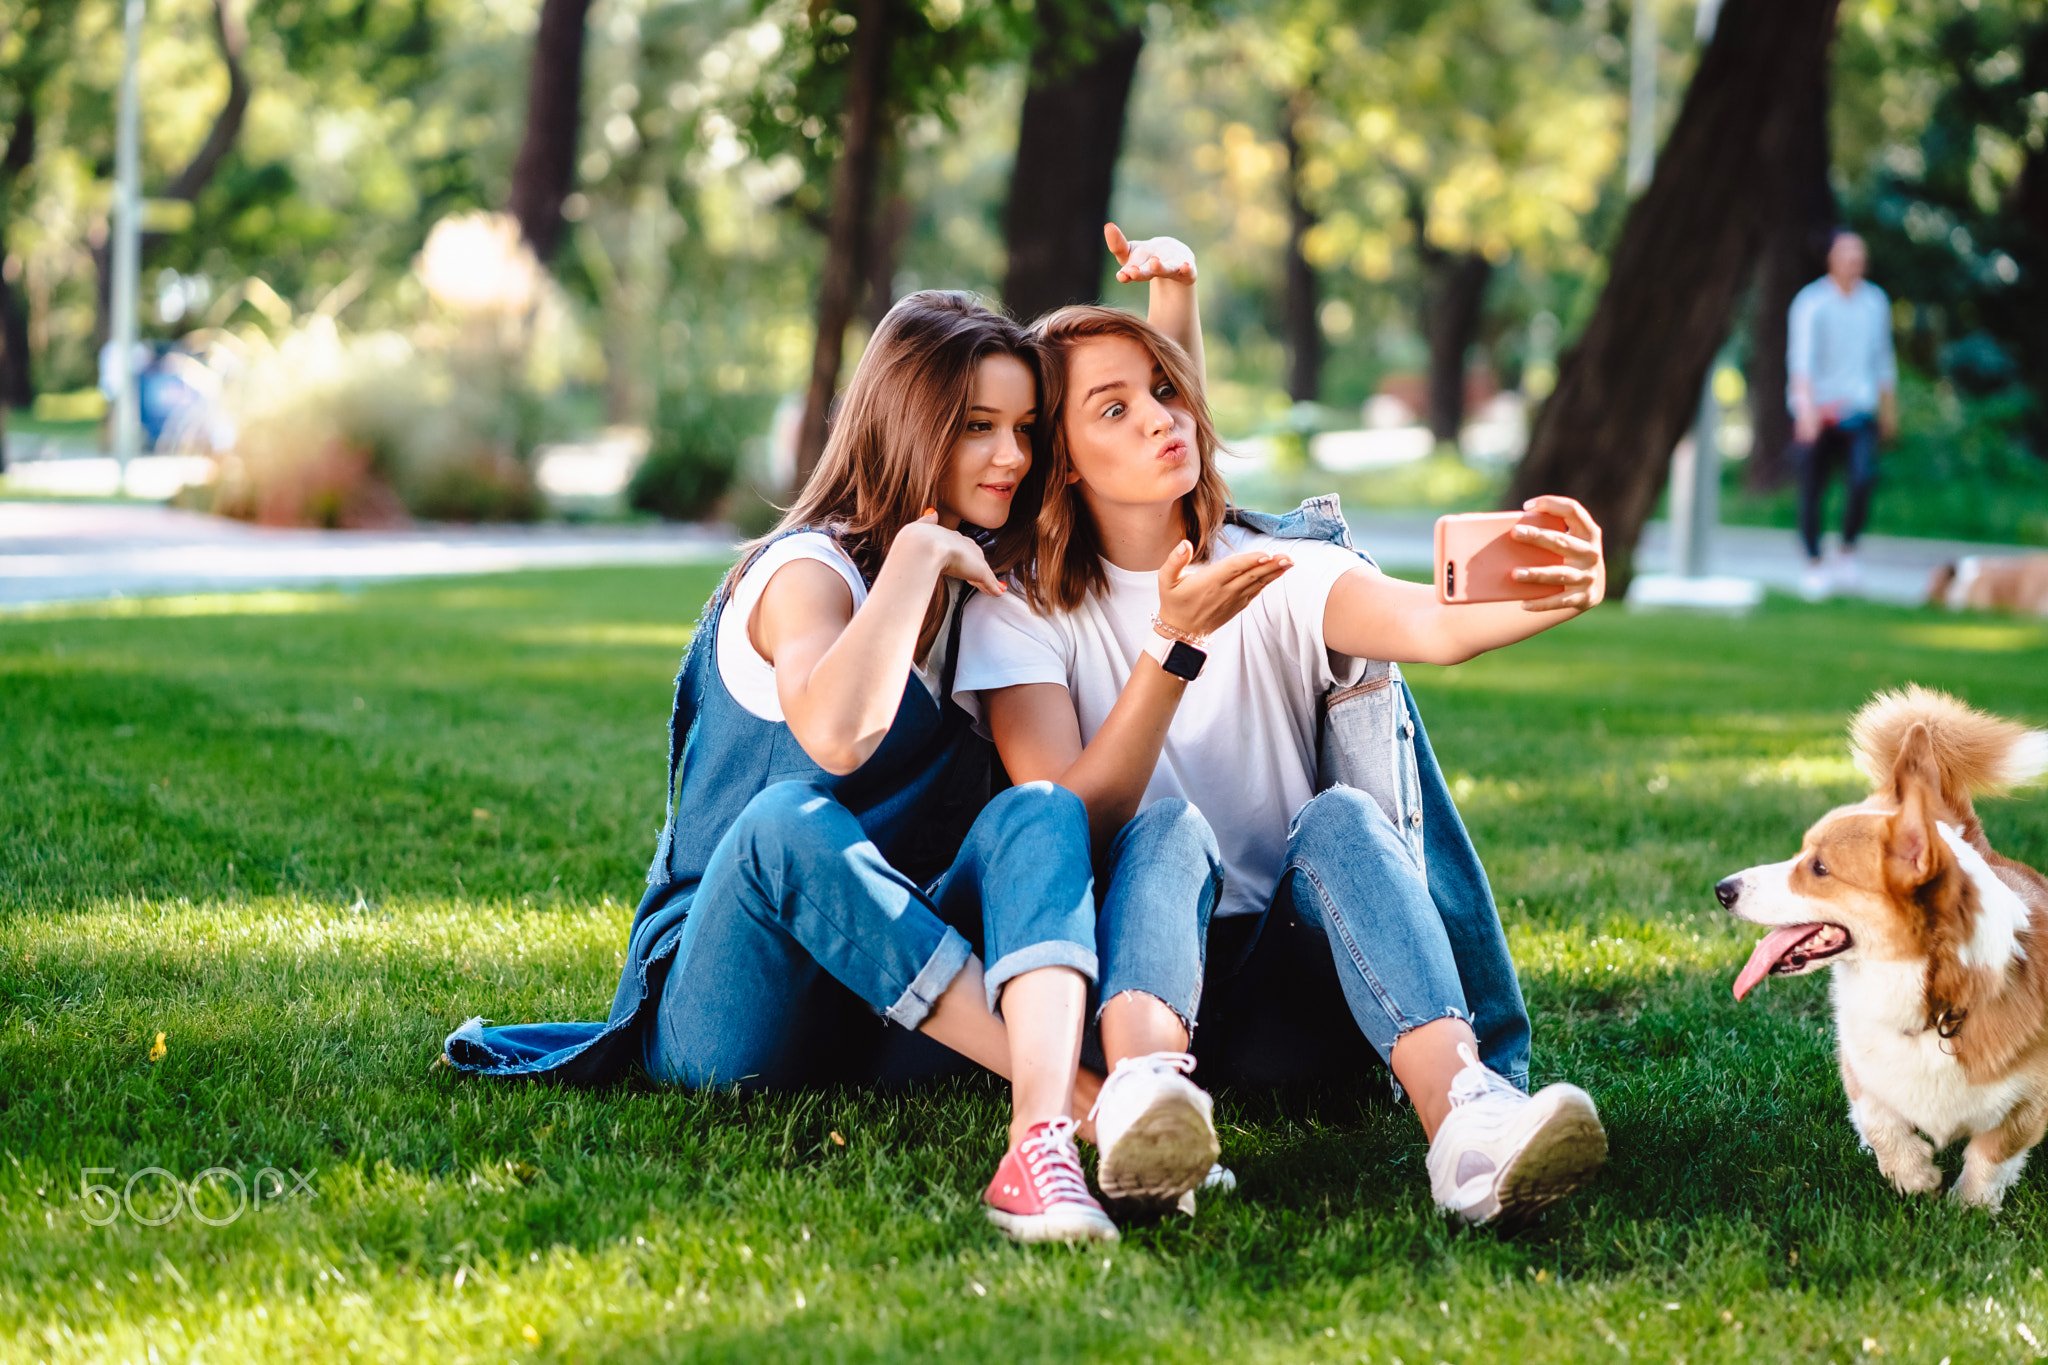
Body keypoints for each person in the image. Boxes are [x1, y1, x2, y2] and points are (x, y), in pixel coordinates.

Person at [443, 290, 1210, 1244]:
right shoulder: (807, 573)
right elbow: (839, 734)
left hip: (888, 1011)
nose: (1011, 456)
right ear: (906, 423)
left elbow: (1171, 453)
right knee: (783, 823)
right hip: (731, 1016)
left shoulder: (983, 603)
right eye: (976, 428)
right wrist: (916, 558)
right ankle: (1099, 1111)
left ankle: (1036, 1144)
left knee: (1042, 809)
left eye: (1023, 428)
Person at [953, 228, 1612, 1229]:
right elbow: (1062, 823)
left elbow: (1428, 624)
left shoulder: (1276, 565)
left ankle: (1466, 1128)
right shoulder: (1020, 610)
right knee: (1162, 830)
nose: (1158, 420)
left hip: (1308, 987)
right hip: (1139, 993)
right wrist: (1167, 647)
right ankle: (1138, 1110)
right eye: (1113, 409)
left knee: (1343, 818)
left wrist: (1556, 592)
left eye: (1164, 393)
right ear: (1065, 463)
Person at [1787, 230, 1899, 600]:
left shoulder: (1874, 302)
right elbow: (1801, 361)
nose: (1855, 261)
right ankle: (1814, 562)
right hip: (1818, 412)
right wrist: (1807, 412)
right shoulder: (1812, 302)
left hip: (1858, 409)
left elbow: (1883, 359)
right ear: (1831, 259)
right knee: (1813, 490)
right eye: (1847, 253)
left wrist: (1888, 409)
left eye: (1859, 254)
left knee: (1863, 479)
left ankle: (1848, 551)